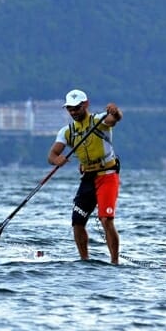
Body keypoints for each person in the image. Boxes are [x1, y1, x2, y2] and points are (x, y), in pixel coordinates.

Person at [48, 89, 124, 264]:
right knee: (77, 221)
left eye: (77, 108)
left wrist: (116, 111)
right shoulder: (67, 132)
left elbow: (115, 119)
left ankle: (115, 262)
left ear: (86, 105)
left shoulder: (99, 121)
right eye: (70, 109)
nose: (73, 112)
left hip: (107, 175)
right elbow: (52, 154)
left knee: (106, 219)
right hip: (88, 178)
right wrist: (56, 159)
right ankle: (84, 261)